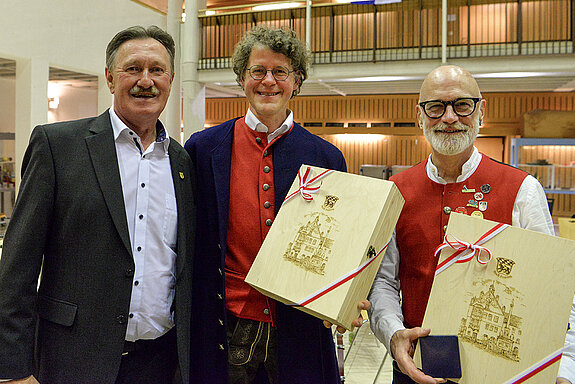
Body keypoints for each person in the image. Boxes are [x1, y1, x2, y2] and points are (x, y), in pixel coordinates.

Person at [0, 25, 195, 384]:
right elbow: (17, 267)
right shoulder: (58, 146)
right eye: (133, 68)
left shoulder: (182, 163)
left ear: (171, 79)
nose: (146, 80)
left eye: (157, 70)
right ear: (109, 77)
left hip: (162, 364)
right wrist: (13, 370)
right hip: (72, 361)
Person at [368, 65, 574, 384]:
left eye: (462, 105)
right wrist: (394, 334)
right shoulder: (396, 191)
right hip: (415, 370)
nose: (449, 117)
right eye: (436, 107)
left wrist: (564, 368)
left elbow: (556, 289)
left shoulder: (522, 189)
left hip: (502, 372)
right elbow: (383, 281)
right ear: (420, 116)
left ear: (481, 112)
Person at [185, 25, 365, 384]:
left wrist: (347, 297)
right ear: (241, 78)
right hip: (226, 324)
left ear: (296, 81)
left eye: (280, 72)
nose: (269, 81)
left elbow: (341, 246)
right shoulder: (203, 149)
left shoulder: (326, 156)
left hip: (300, 327)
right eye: (258, 71)